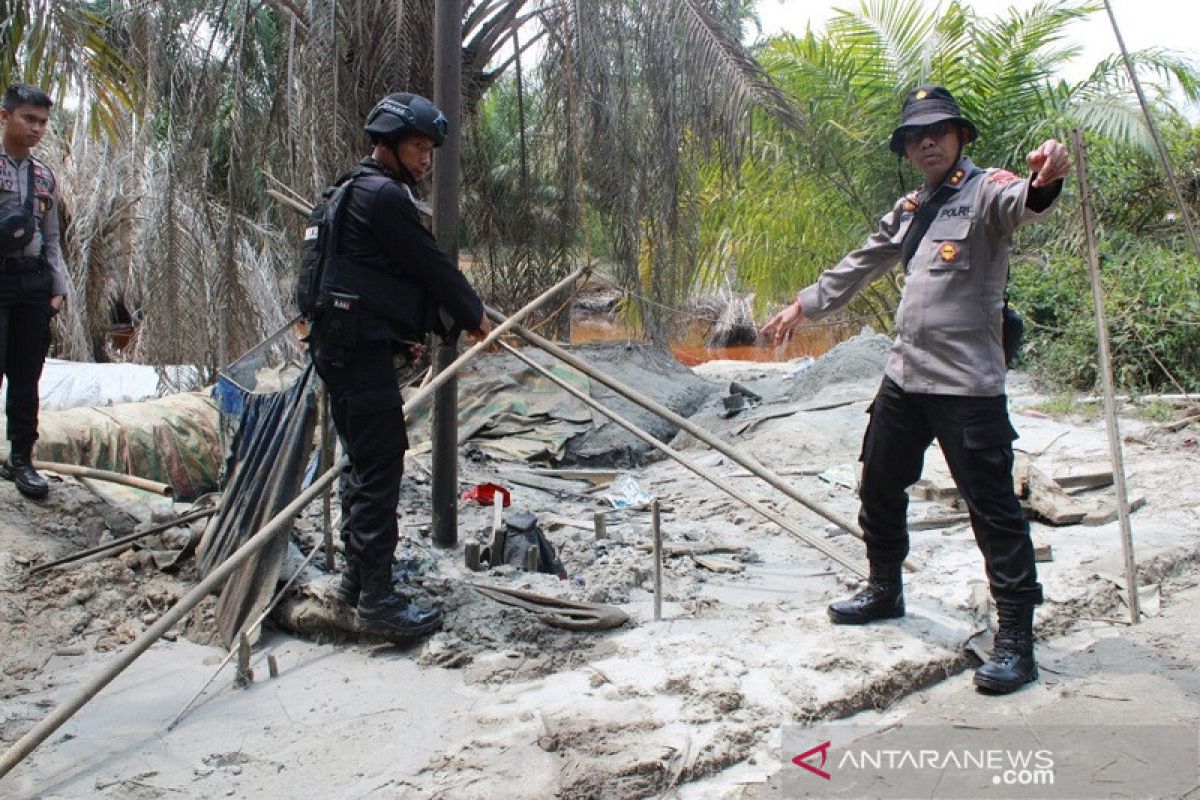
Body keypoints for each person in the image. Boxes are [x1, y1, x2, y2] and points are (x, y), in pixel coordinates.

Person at [761, 86, 1070, 695]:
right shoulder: (911, 208)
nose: (926, 142)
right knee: (878, 480)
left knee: (993, 510)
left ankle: (1015, 640)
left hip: (967, 388)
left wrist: (1046, 180)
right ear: (906, 149)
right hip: (905, 376)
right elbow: (864, 259)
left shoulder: (986, 193)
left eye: (938, 131)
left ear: (959, 138)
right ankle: (884, 588)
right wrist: (806, 303)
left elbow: (1024, 203)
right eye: (915, 135)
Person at [310, 91, 491, 638]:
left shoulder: (343, 192)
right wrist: (472, 312)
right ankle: (379, 602)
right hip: (357, 353)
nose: (425, 158)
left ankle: (355, 584)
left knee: (362, 466)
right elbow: (428, 263)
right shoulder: (383, 197)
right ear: (387, 144)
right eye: (418, 146)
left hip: (341, 347)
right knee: (381, 465)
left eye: (430, 149)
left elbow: (374, 275)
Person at [0, 85, 67, 500]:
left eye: (42, 122)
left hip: (33, 285)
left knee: (26, 376)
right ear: (5, 116)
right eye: (29, 118)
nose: (37, 128)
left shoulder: (44, 176)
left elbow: (53, 237)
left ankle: (21, 459)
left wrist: (57, 289)